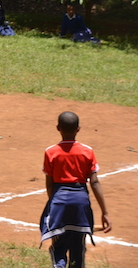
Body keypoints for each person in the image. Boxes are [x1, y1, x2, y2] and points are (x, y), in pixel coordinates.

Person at [40, 111, 111, 268]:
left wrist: (54, 204)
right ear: (78, 129)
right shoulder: (87, 151)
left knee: (58, 248)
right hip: (80, 203)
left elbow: (50, 184)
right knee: (78, 250)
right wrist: (105, 212)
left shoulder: (50, 152)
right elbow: (94, 182)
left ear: (58, 128)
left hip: (58, 202)